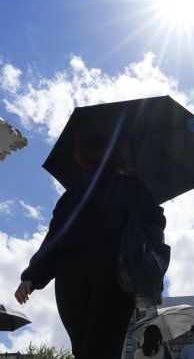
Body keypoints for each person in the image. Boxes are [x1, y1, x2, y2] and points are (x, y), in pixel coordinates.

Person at [14, 134, 166, 359]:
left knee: (86, 349)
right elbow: (155, 224)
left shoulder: (73, 195)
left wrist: (32, 276)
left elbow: (55, 237)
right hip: (115, 275)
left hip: (74, 276)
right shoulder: (132, 188)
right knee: (101, 348)